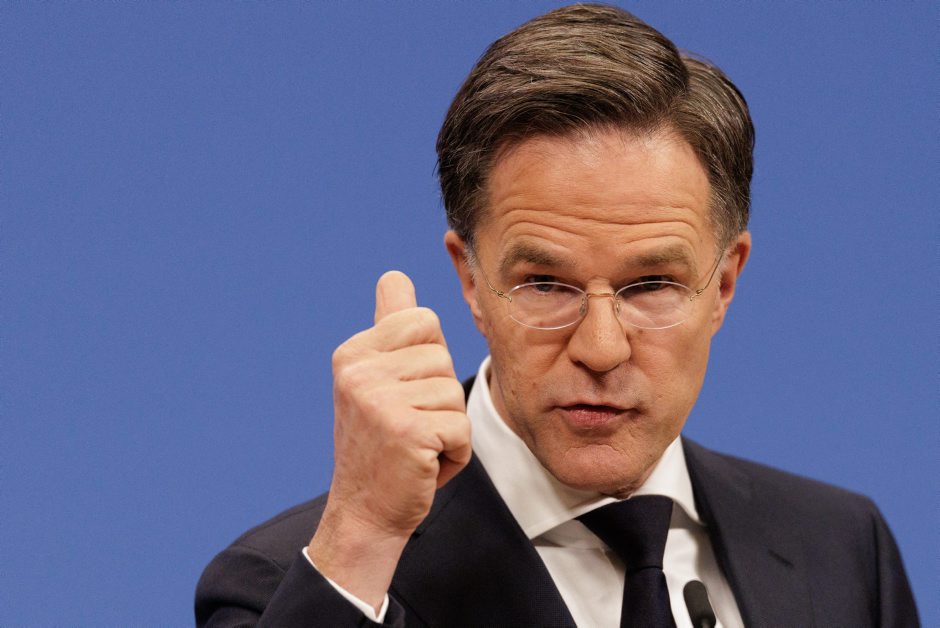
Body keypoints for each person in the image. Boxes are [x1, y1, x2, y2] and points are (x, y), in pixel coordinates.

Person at [195, 5, 918, 626]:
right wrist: (362, 537)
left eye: (651, 285)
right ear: (471, 281)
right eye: (545, 284)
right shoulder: (298, 583)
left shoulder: (842, 549)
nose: (601, 349)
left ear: (724, 284)